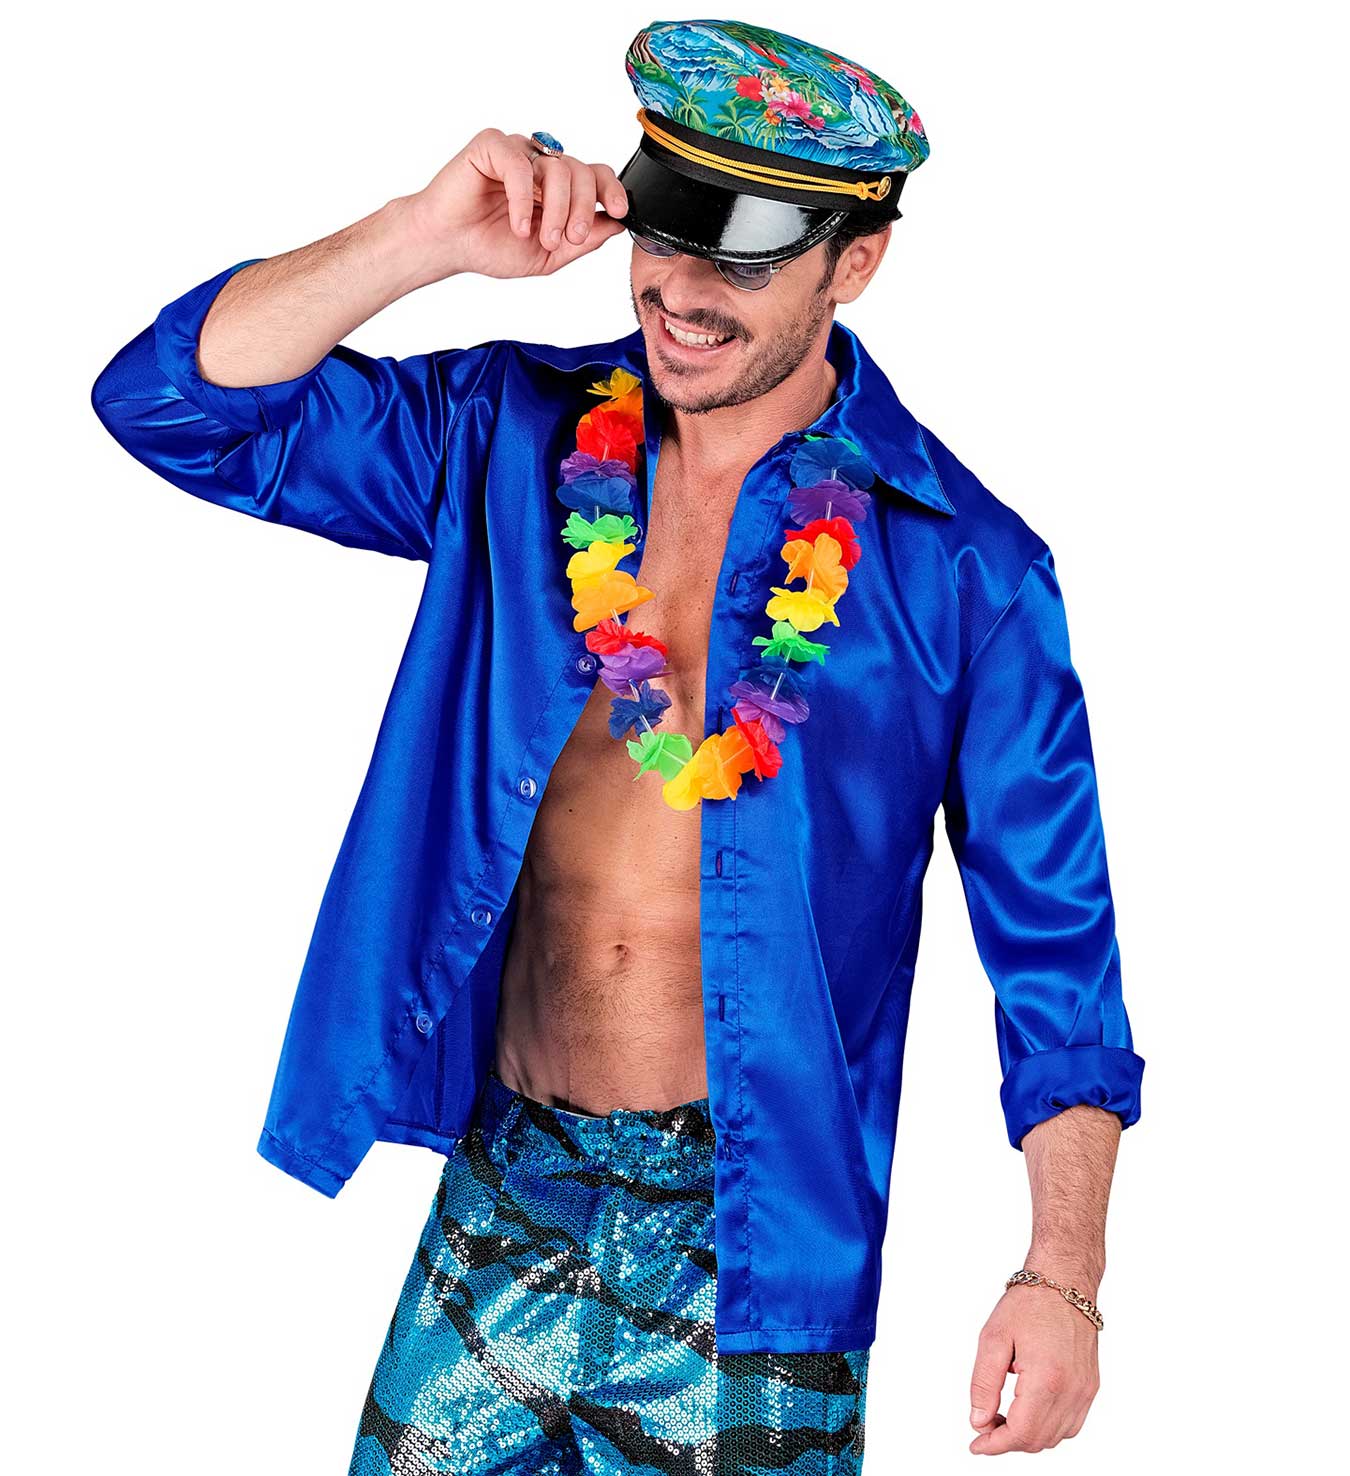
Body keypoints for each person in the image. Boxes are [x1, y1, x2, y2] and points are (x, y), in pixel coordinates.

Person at [91, 18, 1144, 1474]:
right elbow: (173, 406)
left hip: (754, 1248)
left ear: (855, 262)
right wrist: (417, 237)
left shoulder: (967, 571)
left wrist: (1061, 1277)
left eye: (743, 260)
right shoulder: (504, 436)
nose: (683, 292)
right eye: (665, 233)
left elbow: (1058, 957)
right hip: (507, 1194)